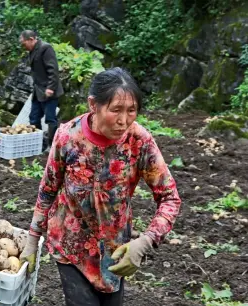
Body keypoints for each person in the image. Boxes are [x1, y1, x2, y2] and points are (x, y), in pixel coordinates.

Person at [19, 68, 182, 306]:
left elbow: (170, 197)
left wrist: (145, 241)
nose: (123, 120)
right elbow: (48, 189)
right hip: (70, 245)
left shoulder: (139, 141)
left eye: (131, 111)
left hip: (114, 249)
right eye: (115, 110)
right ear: (93, 105)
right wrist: (32, 241)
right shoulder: (67, 137)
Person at [19, 30, 64, 152]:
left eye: (24, 43)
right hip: (38, 90)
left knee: (50, 118)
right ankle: (39, 143)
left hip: (49, 90)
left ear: (32, 39)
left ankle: (53, 146)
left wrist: (50, 87)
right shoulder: (31, 50)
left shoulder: (45, 48)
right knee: (33, 117)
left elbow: (53, 69)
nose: (23, 46)